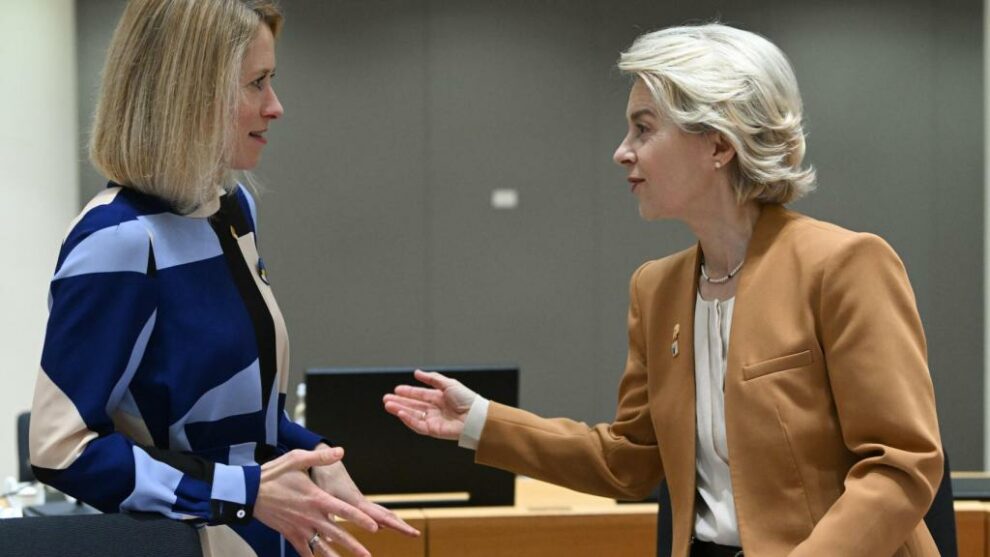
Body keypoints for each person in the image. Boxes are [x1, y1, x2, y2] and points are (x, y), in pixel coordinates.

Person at [384, 23, 943, 557]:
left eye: (644, 128)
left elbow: (901, 464)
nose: (622, 151)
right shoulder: (657, 289)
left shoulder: (844, 265)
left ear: (718, 145)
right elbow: (629, 460)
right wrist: (481, 420)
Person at [29, 1, 418, 556]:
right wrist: (246, 493)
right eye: (257, 83)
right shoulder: (118, 240)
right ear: (187, 94)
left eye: (272, 80)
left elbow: (239, 421)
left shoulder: (230, 210)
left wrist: (319, 460)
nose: (276, 106)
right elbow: (60, 448)